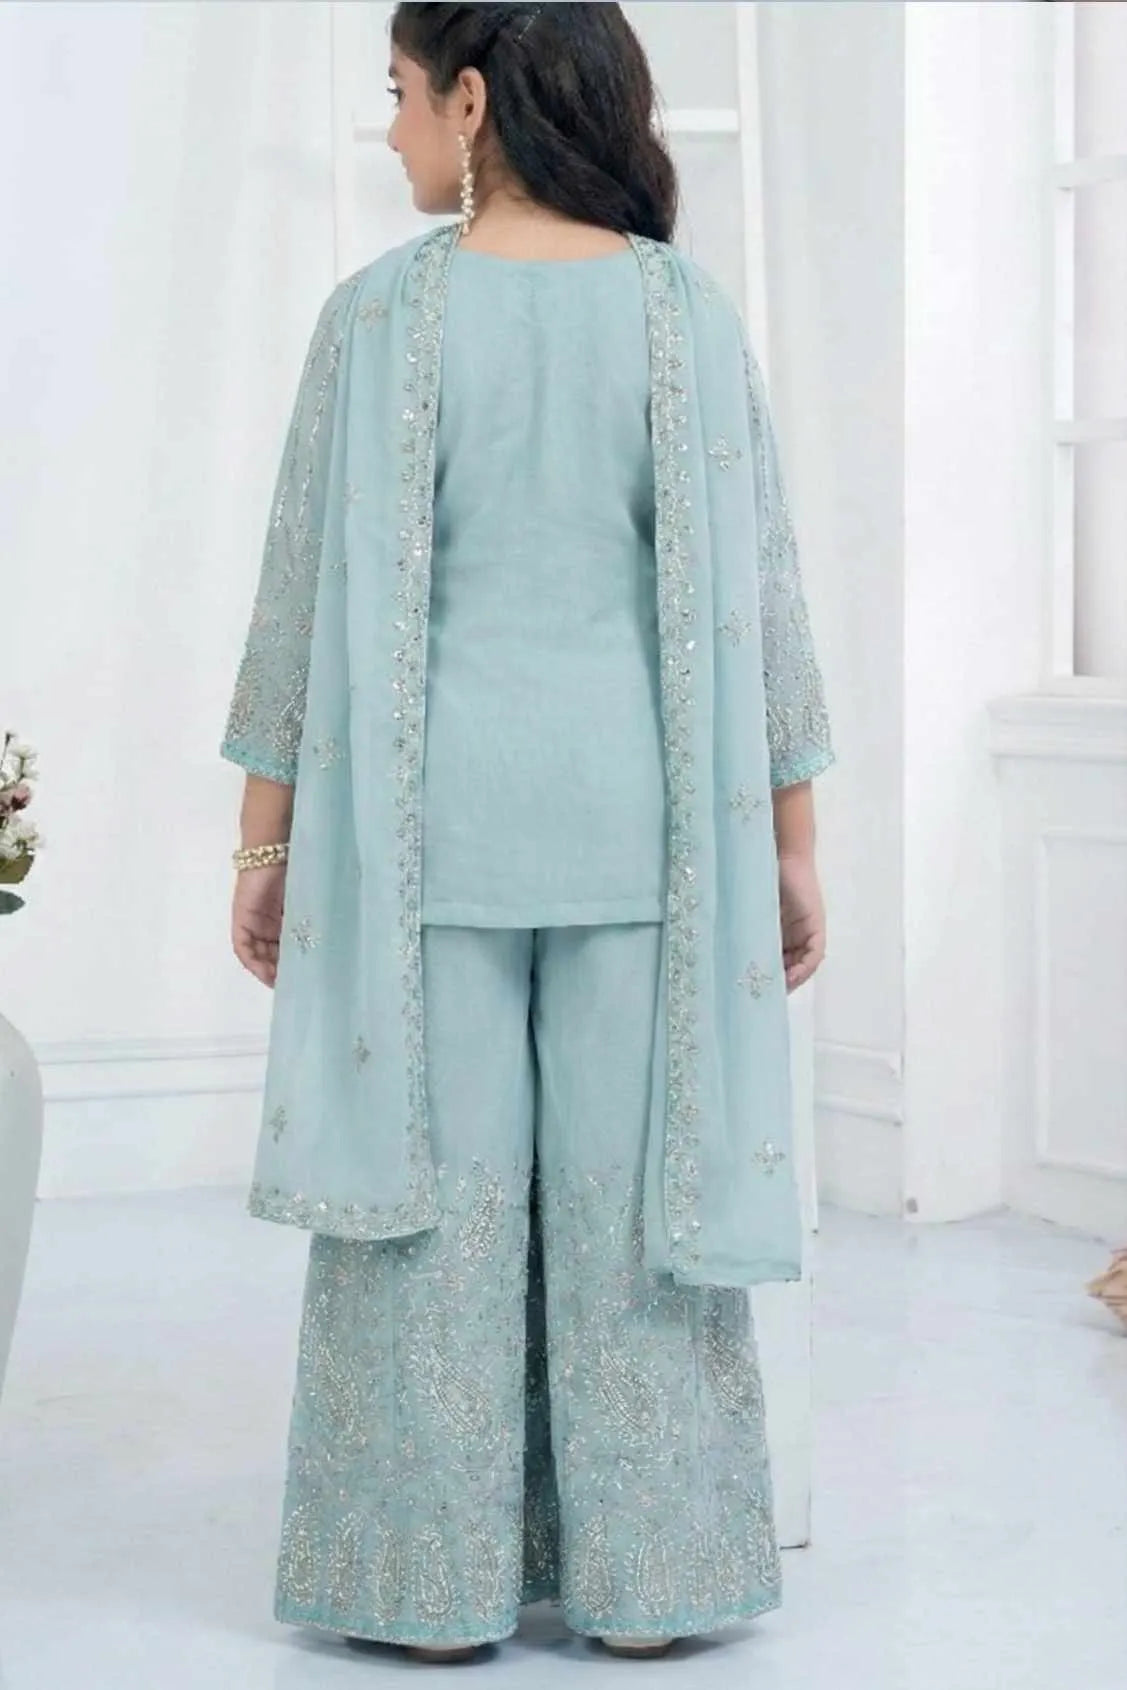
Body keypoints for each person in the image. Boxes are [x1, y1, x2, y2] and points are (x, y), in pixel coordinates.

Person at [220, 1, 835, 1666]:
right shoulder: (682, 313)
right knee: (639, 1220)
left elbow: (297, 600)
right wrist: (792, 843)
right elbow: (764, 601)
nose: (392, 130)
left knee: (431, 1222)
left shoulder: (376, 318)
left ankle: (424, 1592)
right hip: (650, 849)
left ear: (475, 100)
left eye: (401, 95)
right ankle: (653, 1584)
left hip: (427, 851)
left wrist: (264, 846)